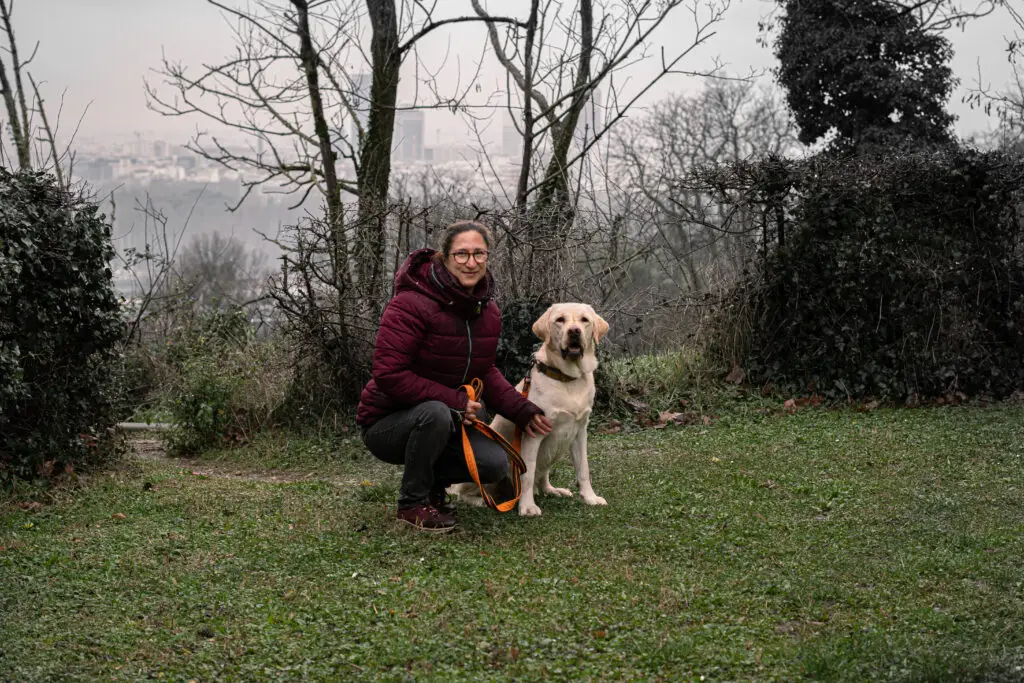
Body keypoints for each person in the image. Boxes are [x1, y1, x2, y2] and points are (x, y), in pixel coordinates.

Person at [357, 220, 554, 532]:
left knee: (494, 464)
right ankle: (413, 503)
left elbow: (484, 371)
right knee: (435, 412)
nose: (471, 262)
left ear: (488, 257)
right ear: (443, 258)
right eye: (461, 254)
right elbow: (388, 374)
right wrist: (455, 400)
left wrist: (522, 410)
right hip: (387, 423)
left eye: (479, 254)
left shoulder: (486, 311)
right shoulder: (409, 304)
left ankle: (435, 488)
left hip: (448, 419)